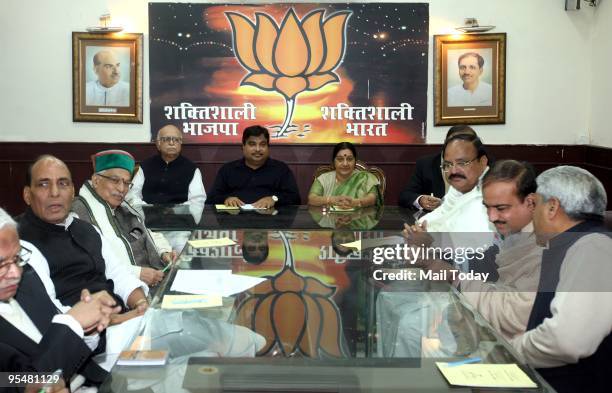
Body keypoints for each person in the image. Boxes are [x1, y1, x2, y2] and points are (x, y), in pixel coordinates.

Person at [509, 166, 612, 393]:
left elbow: (567, 341)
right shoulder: (574, 245)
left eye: (534, 205)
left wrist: (511, 350)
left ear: (552, 207)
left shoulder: (593, 247)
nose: (530, 215)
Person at [0, 208, 120, 389]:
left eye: (16, 258)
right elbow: (17, 382)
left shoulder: (27, 284)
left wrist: (88, 329)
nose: (15, 273)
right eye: (1, 264)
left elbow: (57, 345)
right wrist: (72, 323)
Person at [17, 155, 149, 320]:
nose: (55, 193)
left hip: (120, 321)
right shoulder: (18, 243)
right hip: (74, 337)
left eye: (63, 184)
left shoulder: (87, 229)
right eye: (44, 184)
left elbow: (118, 275)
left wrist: (141, 304)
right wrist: (115, 321)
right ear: (27, 194)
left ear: (72, 191)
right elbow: (48, 312)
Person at [429, 160, 543, 340]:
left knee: (417, 327)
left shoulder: (543, 245)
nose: (492, 217)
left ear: (530, 202)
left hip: (518, 342)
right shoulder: (514, 232)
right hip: (490, 317)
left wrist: (453, 276)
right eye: (487, 207)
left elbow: (514, 316)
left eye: (501, 208)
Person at [71, 150, 175, 287]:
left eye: (126, 183)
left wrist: (164, 252)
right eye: (115, 180)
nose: (121, 189)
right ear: (96, 181)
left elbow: (146, 233)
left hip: (156, 281)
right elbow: (86, 263)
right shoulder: (76, 214)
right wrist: (137, 273)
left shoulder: (124, 207)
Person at [407, 133, 494, 234]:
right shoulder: (462, 185)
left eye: (462, 163)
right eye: (448, 164)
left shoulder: (492, 192)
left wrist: (428, 241)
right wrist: (419, 228)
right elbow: (442, 212)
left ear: (483, 162)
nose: (453, 171)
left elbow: (467, 242)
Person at [207, 125, 301, 208]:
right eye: (252, 144)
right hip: (236, 222)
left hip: (270, 223)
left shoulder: (281, 169)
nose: (257, 149)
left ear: (268, 147)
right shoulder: (227, 170)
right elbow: (212, 197)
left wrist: (274, 199)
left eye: (262, 144)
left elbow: (295, 198)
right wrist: (226, 199)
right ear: (243, 147)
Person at [398, 125, 477, 211]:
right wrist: (421, 200)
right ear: (446, 144)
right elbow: (405, 196)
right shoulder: (426, 164)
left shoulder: (483, 164)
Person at [127, 124, 206, 207]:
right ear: (158, 144)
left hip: (180, 217)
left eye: (176, 139)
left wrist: (176, 211)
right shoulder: (145, 166)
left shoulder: (192, 169)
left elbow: (197, 200)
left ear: (180, 143)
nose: (171, 143)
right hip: (148, 216)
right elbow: (132, 196)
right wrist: (147, 209)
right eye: (166, 139)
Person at [308, 142, 382, 209]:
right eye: (340, 159)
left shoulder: (366, 178)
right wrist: (332, 200)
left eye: (349, 159)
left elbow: (372, 199)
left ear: (355, 161)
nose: (345, 164)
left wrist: (356, 202)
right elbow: (312, 199)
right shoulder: (324, 179)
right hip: (330, 221)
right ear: (334, 162)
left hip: (359, 220)